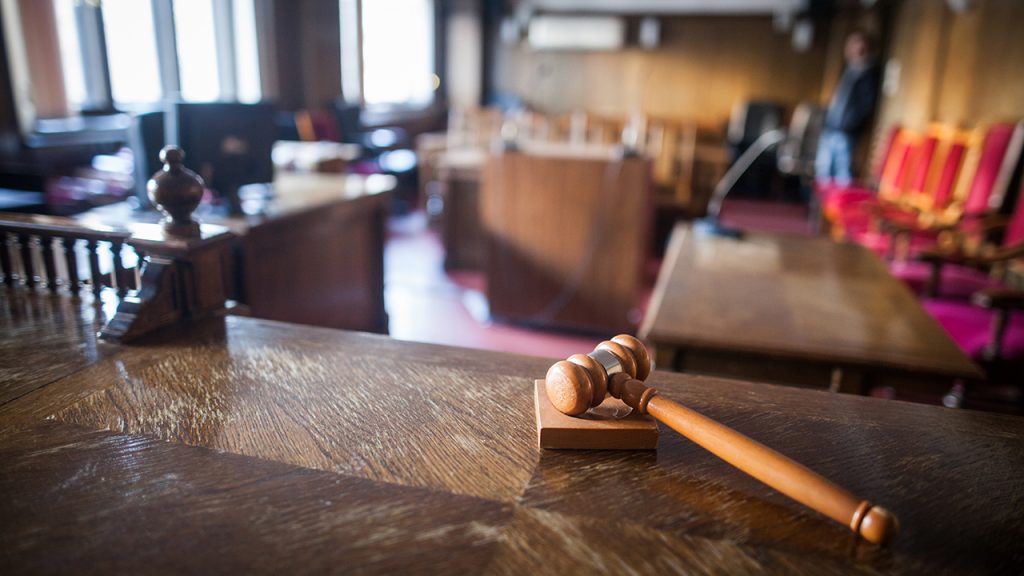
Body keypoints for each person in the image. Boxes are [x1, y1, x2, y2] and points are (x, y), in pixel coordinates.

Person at [815, 31, 881, 186]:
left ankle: (835, 207)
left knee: (843, 175)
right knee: (823, 173)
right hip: (831, 128)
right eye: (852, 44)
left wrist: (851, 123)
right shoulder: (848, 69)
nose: (854, 48)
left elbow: (867, 105)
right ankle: (820, 209)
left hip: (847, 132)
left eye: (858, 44)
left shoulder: (869, 73)